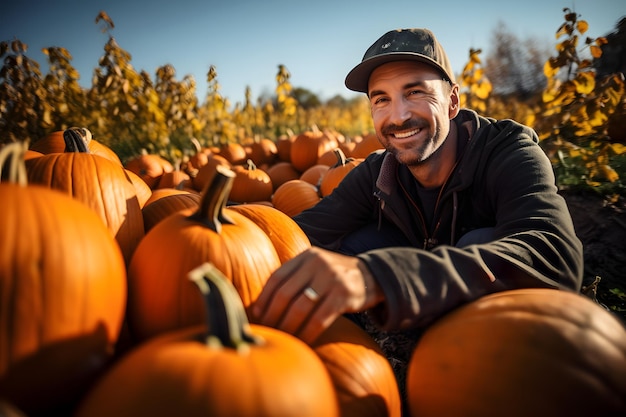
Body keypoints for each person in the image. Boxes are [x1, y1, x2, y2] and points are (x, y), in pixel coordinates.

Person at [252, 27, 584, 404]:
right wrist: (223, 235)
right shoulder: (376, 172)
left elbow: (553, 254)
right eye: (381, 99)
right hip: (421, 287)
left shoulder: (508, 152)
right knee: (347, 246)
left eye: (415, 92)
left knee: (479, 242)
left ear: (453, 101)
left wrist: (379, 276)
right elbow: (300, 232)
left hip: (491, 341)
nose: (399, 116)